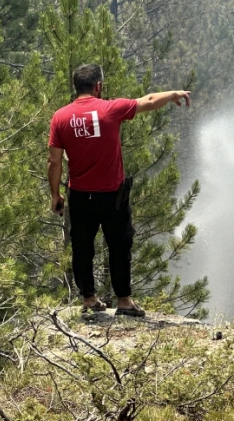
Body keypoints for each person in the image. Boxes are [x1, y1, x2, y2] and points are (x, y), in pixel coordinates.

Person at [48, 63, 191, 316]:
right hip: (112, 196)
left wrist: (55, 195)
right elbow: (147, 101)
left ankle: (89, 300)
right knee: (119, 245)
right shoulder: (110, 109)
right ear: (98, 86)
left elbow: (54, 161)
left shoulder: (60, 117)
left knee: (82, 248)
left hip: (80, 195)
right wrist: (173, 94)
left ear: (76, 86)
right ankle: (124, 302)